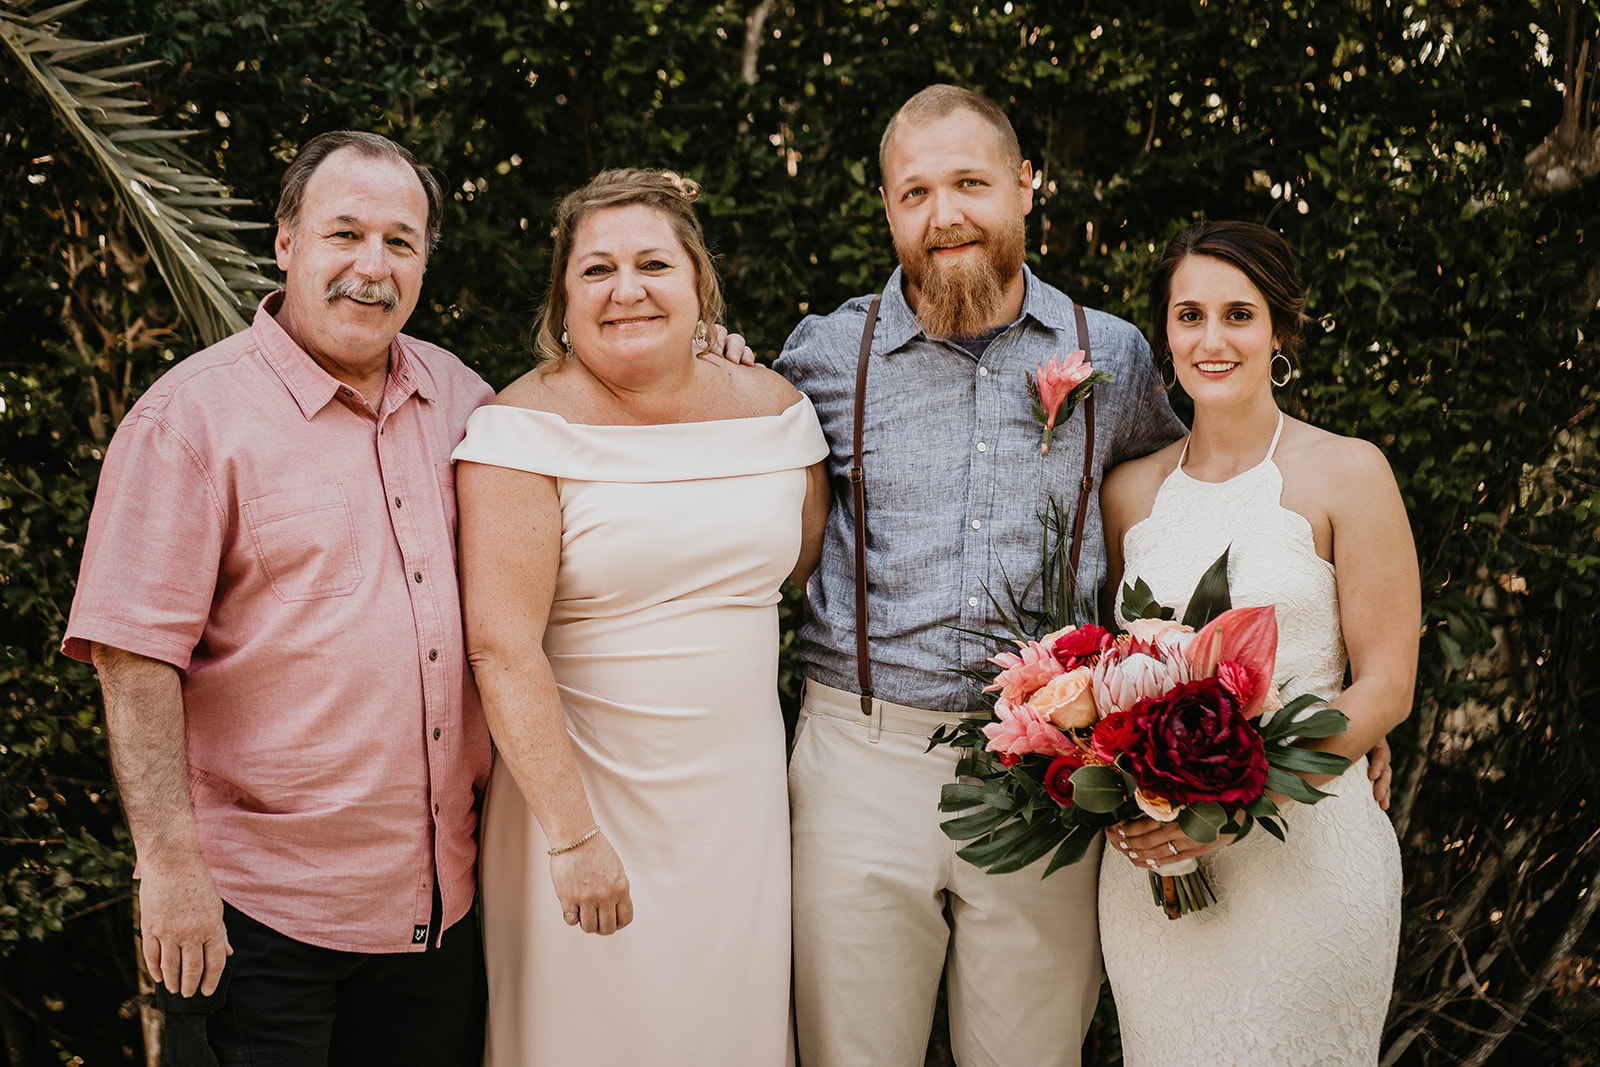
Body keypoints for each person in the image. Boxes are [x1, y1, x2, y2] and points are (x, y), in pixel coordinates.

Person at [770, 84, 1186, 1067]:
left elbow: (1183, 523)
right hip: (859, 756)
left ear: (1025, 185)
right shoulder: (824, 354)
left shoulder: (1112, 353)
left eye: (969, 182)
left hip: (1049, 767)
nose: (944, 213)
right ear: (884, 207)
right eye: (914, 192)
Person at [63, 131, 493, 1064]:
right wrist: (169, 868)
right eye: (344, 234)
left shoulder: (464, 400)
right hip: (256, 921)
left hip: (434, 918)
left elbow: (599, 429)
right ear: (287, 243)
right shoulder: (189, 420)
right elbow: (135, 661)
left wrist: (708, 355)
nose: (371, 268)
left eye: (400, 241)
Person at [454, 168, 829, 1065]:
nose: (627, 289)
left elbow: (801, 564)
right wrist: (573, 835)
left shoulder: (776, 413)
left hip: (735, 809)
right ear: (563, 296)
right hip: (579, 803)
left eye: (654, 263)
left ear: (698, 284)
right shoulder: (519, 428)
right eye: (596, 270)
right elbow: (500, 646)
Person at [1097, 220, 1417, 1064]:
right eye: (1189, 314)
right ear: (1164, 332)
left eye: (1239, 314)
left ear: (1280, 330)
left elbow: (1387, 685)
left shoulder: (1350, 471)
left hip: (1305, 855)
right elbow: (1099, 670)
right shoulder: (1128, 494)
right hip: (1156, 874)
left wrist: (1236, 805)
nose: (1212, 338)